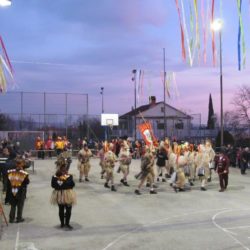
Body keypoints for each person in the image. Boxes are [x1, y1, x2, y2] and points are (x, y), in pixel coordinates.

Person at [51, 160, 76, 229]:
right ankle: (65, 223)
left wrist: (61, 185)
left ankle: (64, 223)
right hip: (63, 194)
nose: (65, 170)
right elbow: (72, 185)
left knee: (63, 209)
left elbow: (53, 185)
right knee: (65, 209)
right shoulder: (67, 176)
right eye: (65, 168)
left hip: (63, 194)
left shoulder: (55, 177)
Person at [7, 157, 30, 223]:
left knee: (13, 205)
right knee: (20, 205)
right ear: (21, 164)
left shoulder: (10, 172)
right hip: (21, 191)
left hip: (13, 190)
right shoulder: (24, 173)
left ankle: (11, 219)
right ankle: (19, 218)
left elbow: (9, 181)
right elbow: (27, 182)